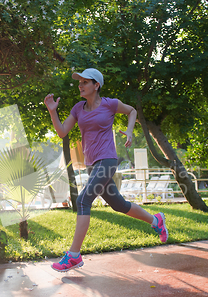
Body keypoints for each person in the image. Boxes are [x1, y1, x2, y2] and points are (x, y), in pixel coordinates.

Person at [44, 68, 168, 273]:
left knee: (83, 200)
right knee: (118, 204)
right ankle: (156, 220)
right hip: (93, 163)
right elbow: (62, 132)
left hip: (107, 160)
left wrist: (129, 130)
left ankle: (73, 255)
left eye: (85, 82)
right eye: (80, 82)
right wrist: (52, 111)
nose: (80, 85)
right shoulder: (78, 108)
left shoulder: (110, 104)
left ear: (96, 85)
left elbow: (132, 111)